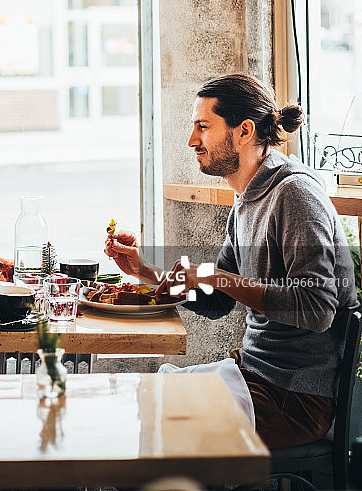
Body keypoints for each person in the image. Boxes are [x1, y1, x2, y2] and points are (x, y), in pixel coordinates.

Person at [106, 74, 357, 449]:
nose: (192, 140)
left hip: (295, 399)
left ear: (244, 132)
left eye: (203, 127)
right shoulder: (247, 198)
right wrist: (147, 271)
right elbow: (215, 300)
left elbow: (317, 309)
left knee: (163, 421)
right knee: (146, 397)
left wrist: (216, 277)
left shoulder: (295, 195)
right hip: (254, 376)